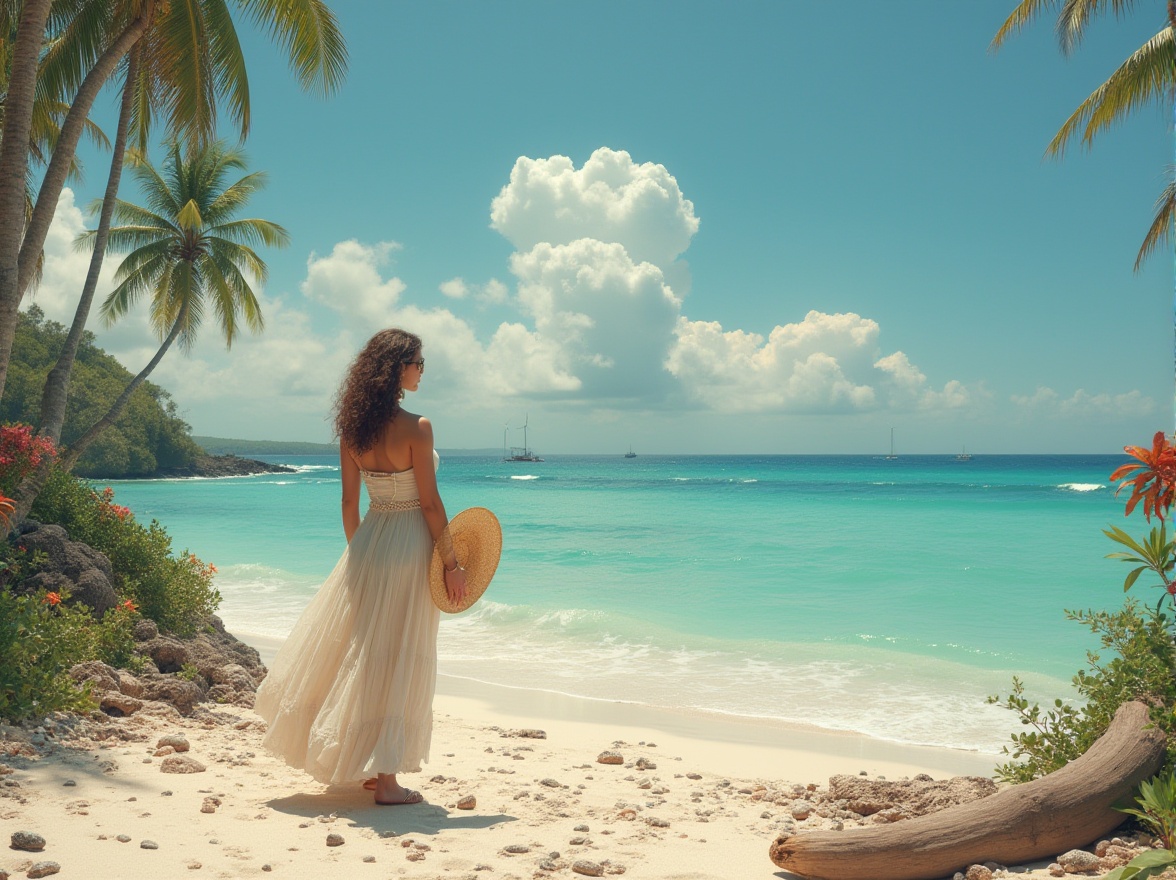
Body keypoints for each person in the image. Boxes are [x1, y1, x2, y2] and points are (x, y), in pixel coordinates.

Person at [255, 329, 467, 806]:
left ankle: (369, 766)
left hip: (370, 539)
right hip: (411, 543)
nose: (422, 370)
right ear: (397, 368)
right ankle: (387, 781)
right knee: (400, 651)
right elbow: (430, 504)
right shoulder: (418, 426)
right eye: (418, 361)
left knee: (365, 650)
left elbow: (349, 502)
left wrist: (362, 554)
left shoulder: (355, 430)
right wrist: (451, 562)